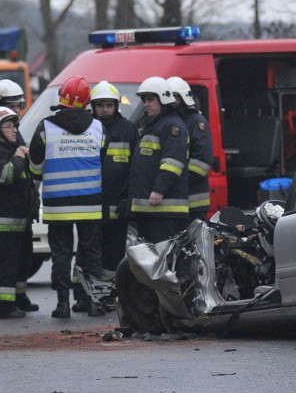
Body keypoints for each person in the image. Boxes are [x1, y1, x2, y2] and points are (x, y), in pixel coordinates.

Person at [28, 75, 104, 319]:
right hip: (90, 203)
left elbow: (35, 167)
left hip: (58, 204)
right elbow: (101, 160)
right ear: (86, 102)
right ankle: (93, 302)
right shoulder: (98, 127)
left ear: (61, 99)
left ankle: (62, 305)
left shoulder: (45, 128)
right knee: (90, 253)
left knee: (60, 254)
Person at [0, 107, 38, 319]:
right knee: (4, 263)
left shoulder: (10, 151)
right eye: (9, 126)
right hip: (2, 219)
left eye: (15, 126)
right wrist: (19, 157)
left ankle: (17, 298)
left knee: (21, 261)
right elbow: (6, 175)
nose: (14, 130)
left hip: (19, 218)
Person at [128, 77, 189, 243]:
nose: (146, 104)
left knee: (164, 255)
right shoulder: (153, 125)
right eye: (144, 100)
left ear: (164, 100)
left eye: (150, 100)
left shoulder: (173, 126)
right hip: (150, 208)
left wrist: (159, 189)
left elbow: (173, 162)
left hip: (165, 207)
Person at [89, 80, 137, 286]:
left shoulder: (129, 130)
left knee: (114, 253)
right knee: (89, 251)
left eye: (109, 105)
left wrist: (129, 198)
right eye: (101, 105)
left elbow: (137, 168)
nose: (105, 109)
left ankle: (112, 293)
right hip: (92, 204)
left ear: (116, 105)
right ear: (93, 106)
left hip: (118, 203)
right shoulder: (86, 129)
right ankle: (86, 294)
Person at [167, 76, 213, 221]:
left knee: (195, 241)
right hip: (175, 201)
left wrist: (177, 183)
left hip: (193, 201)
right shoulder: (169, 122)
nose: (171, 101)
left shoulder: (196, 122)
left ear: (184, 98)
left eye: (175, 97)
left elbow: (201, 163)